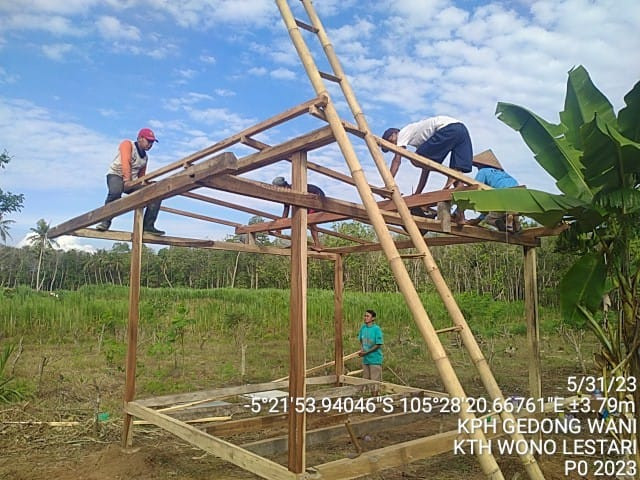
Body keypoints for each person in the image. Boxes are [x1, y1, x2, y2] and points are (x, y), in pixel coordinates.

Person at [95, 128, 164, 235]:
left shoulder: (145, 158)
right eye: (148, 141)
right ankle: (105, 221)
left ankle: (148, 226)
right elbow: (125, 162)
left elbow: (141, 176)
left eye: (152, 142)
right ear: (140, 138)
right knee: (115, 193)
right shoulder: (127, 144)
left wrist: (147, 186)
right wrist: (127, 180)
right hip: (116, 175)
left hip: (132, 181)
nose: (150, 144)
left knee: (155, 193)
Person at [381, 116, 473, 193]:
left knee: (415, 160)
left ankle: (449, 174)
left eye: (390, 142)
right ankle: (460, 213)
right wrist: (418, 193)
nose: (393, 146)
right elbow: (425, 170)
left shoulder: (402, 133)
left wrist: (388, 184)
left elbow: (397, 160)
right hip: (462, 130)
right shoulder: (422, 142)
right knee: (457, 175)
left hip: (447, 129)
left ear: (394, 134)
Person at [466, 154, 522, 233]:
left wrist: (459, 212)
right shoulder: (505, 175)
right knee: (511, 213)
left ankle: (499, 222)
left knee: (490, 219)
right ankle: (514, 223)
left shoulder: (483, 171)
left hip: (502, 195)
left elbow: (474, 190)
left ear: (480, 165)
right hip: (518, 195)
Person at [272, 176, 325, 250]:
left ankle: (317, 245)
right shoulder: (286, 194)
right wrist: (279, 228)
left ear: (283, 186)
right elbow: (286, 211)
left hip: (317, 197)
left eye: (278, 189)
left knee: (310, 221)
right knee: (302, 219)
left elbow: (287, 211)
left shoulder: (294, 188)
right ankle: (313, 244)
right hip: (309, 201)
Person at [358, 309, 383, 396]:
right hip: (366, 360)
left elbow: (378, 344)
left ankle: (374, 400)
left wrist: (367, 352)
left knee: (374, 381)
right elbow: (361, 340)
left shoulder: (376, 329)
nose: (365, 318)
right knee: (366, 380)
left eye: (367, 316)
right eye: (365, 316)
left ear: (373, 318)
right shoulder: (363, 328)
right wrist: (362, 350)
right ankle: (369, 399)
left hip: (374, 359)